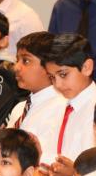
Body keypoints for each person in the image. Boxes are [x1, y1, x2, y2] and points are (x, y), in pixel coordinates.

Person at [41, 33, 96, 176]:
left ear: (86, 67)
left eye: (63, 74)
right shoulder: (55, 105)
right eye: (52, 77)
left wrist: (73, 175)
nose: (58, 84)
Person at [4, 32, 66, 166]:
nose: (16, 67)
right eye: (17, 60)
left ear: (50, 66)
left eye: (26, 61)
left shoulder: (62, 108)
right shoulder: (20, 108)